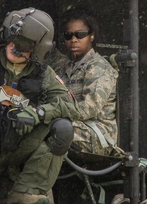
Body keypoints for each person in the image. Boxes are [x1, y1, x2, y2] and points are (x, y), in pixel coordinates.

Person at [0, 7, 77, 204]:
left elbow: (69, 106)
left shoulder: (43, 74)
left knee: (62, 129)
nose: (15, 48)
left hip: (17, 145)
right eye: (13, 41)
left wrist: (37, 113)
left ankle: (26, 191)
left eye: (23, 46)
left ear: (36, 50)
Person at [48, 9, 119, 156]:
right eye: (69, 35)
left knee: (45, 130)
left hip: (95, 134)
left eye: (80, 35)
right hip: (71, 125)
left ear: (91, 36)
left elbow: (89, 108)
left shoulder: (99, 66)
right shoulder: (65, 67)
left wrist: (50, 113)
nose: (74, 39)